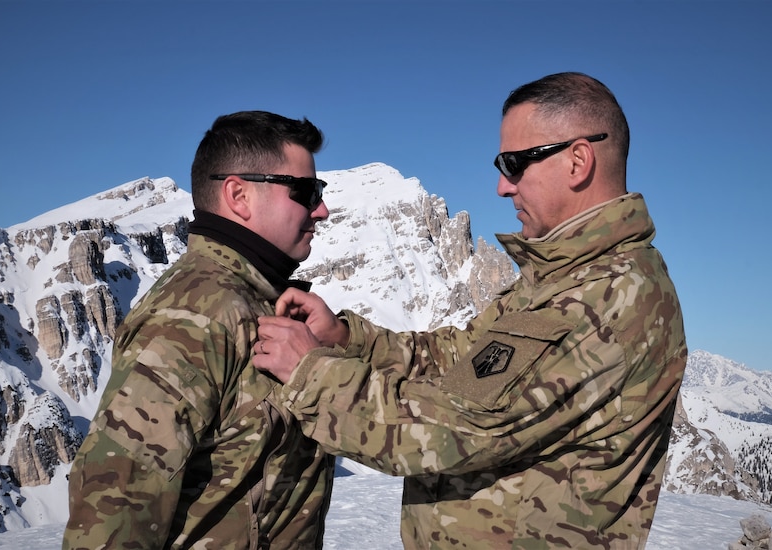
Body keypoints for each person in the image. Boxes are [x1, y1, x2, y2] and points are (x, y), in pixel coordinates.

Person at [252, 72, 688, 549]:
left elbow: (453, 427)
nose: (502, 187)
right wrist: (347, 340)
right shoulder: (565, 278)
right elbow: (469, 359)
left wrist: (309, 373)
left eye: (515, 164)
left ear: (578, 160)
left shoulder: (605, 297)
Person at [63, 111, 335, 550]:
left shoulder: (252, 300)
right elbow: (111, 510)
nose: (322, 209)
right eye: (306, 191)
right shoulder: (192, 318)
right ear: (239, 195)